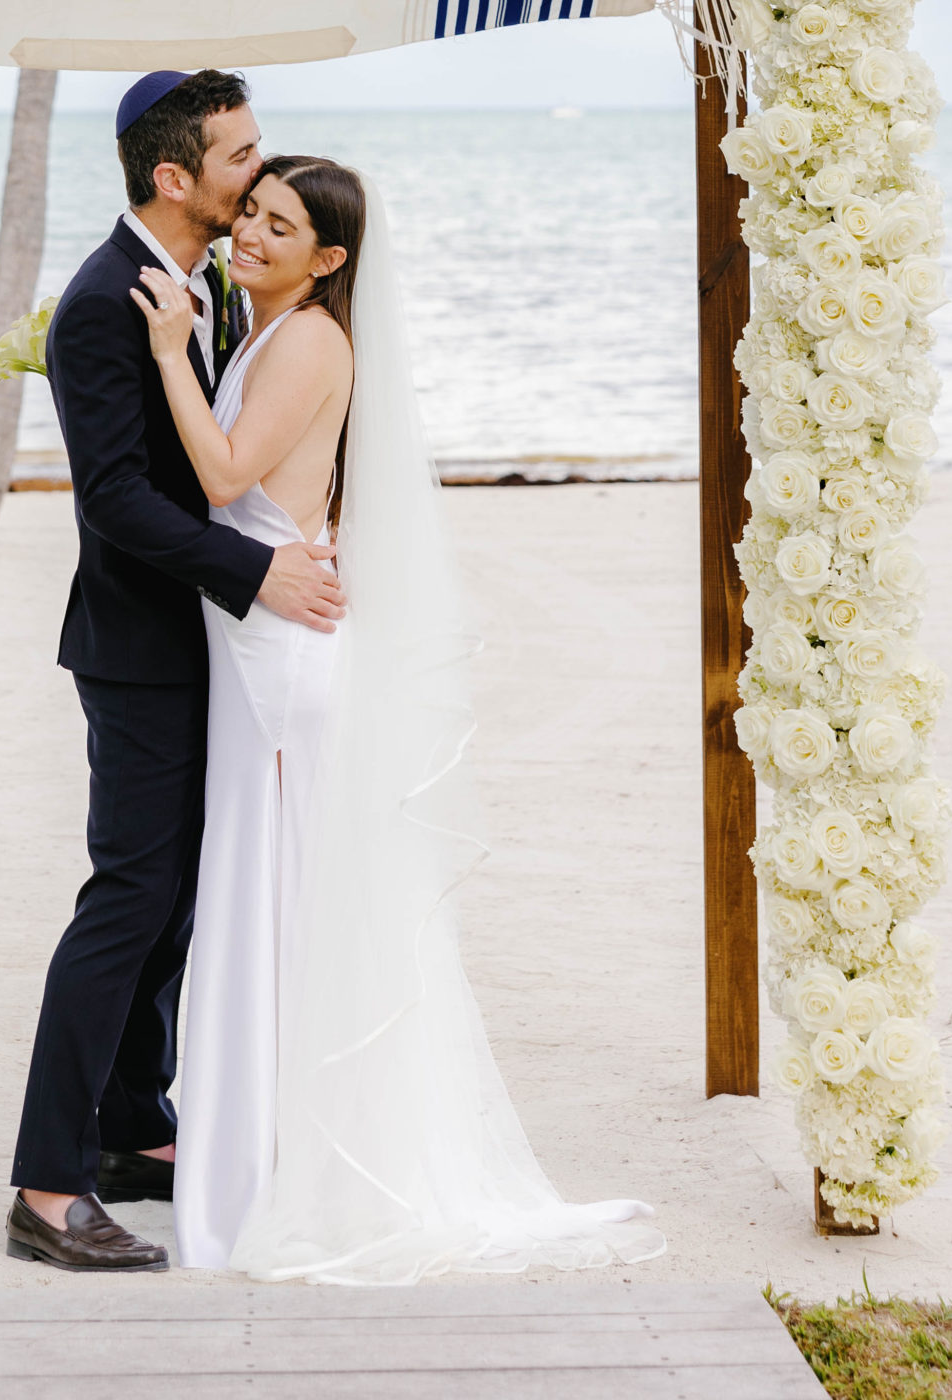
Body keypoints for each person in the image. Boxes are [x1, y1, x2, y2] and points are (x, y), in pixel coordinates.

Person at [133, 154, 666, 1283]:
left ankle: (290, 1173)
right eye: (253, 215)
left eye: (282, 228)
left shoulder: (314, 336)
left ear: (331, 259)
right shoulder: (270, 325)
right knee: (279, 906)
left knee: (286, 907)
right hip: (262, 642)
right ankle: (266, 1158)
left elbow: (229, 475)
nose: (253, 236)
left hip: (284, 663)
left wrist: (172, 354)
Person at [6, 72, 344, 1274]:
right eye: (241, 155)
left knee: (180, 901)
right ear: (174, 177)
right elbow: (115, 504)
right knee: (128, 900)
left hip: (202, 645)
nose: (259, 172)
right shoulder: (107, 300)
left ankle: (127, 1126)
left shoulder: (200, 284)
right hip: (144, 651)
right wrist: (257, 577)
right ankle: (46, 1189)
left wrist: (294, 537)